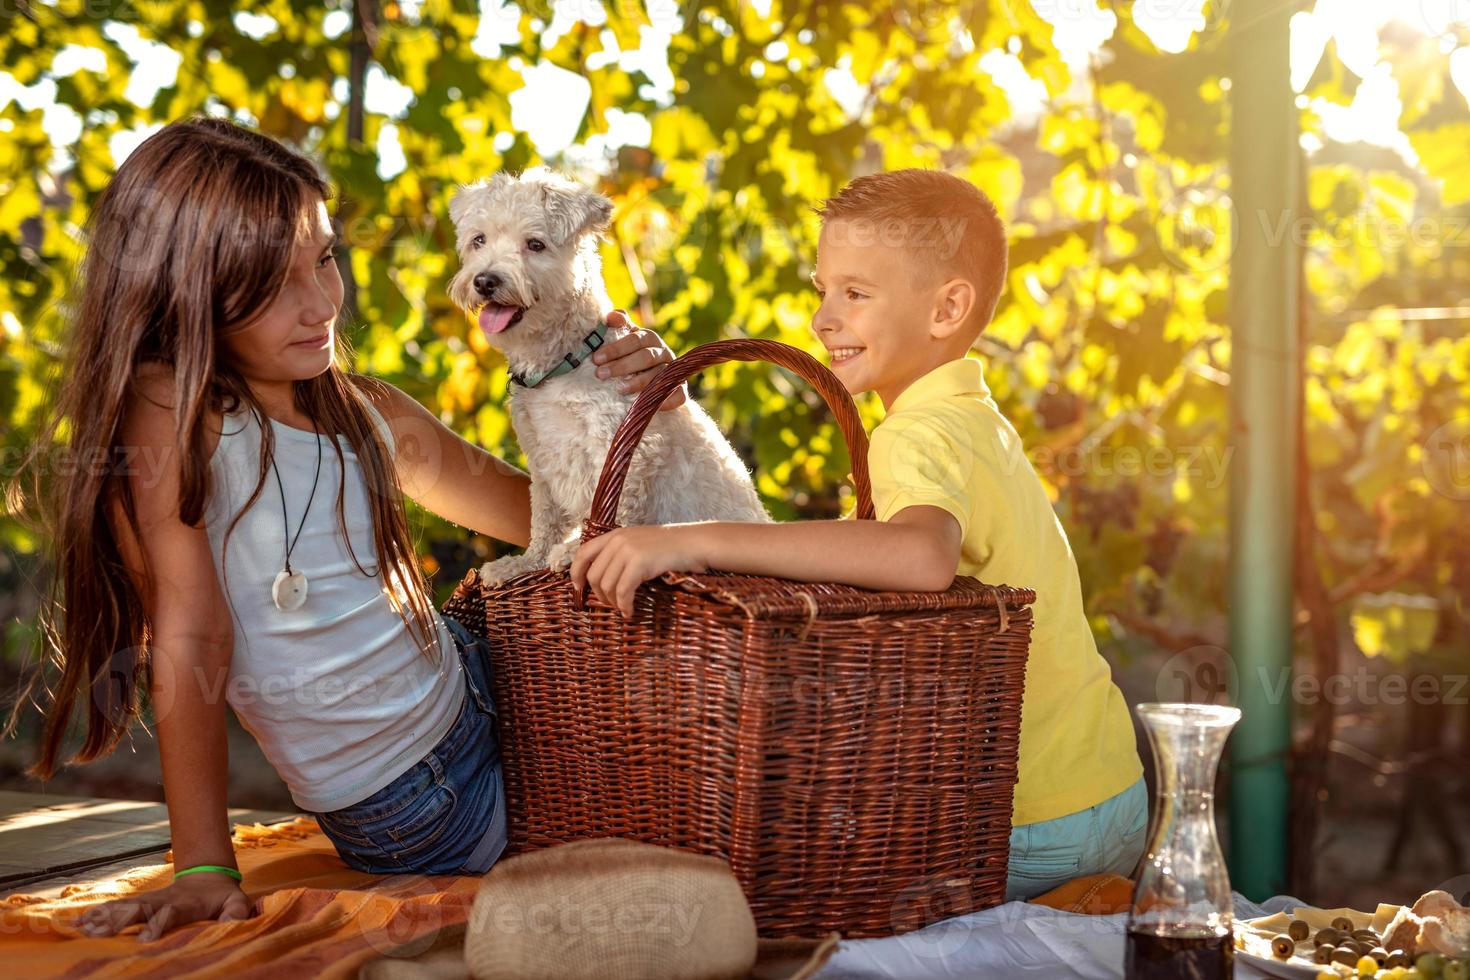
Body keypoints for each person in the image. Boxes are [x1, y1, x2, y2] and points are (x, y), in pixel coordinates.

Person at [3, 115, 685, 942]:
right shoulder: (168, 417)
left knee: (704, 733)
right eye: (269, 284)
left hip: (476, 684)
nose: (322, 303)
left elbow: (554, 516)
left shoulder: (363, 409)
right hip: (418, 800)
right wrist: (204, 868)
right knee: (684, 844)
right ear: (180, 293)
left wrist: (634, 399)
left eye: (323, 258)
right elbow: (188, 635)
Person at [570, 168, 1147, 902]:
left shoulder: (915, 433)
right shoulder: (976, 419)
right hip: (1108, 789)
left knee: (803, 892)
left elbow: (921, 555)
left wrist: (692, 539)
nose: (821, 318)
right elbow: (864, 559)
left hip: (1027, 820)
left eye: (854, 293)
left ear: (947, 309)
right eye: (822, 289)